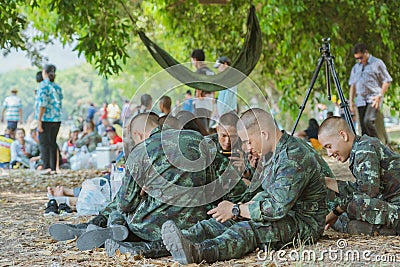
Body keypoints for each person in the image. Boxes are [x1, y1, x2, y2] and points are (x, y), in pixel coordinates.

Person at [49, 112, 247, 257]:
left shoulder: (139, 153)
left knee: (120, 208)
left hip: (146, 227)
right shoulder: (201, 141)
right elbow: (232, 187)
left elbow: (125, 204)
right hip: (193, 223)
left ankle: (104, 225)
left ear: (138, 135)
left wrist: (144, 193)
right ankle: (111, 230)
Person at [160, 108, 333, 264]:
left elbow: (276, 208)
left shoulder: (293, 157)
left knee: (246, 229)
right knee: (216, 223)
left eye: (249, 141)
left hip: (303, 222)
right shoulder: (271, 152)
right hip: (282, 212)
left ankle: (199, 252)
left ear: (264, 134)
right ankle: (160, 246)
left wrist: (236, 209)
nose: (248, 147)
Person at [318, 116, 400, 235]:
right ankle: (365, 227)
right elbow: (361, 189)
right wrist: (328, 182)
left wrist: (337, 211)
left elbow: (366, 196)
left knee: (355, 206)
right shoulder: (360, 148)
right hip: (392, 203)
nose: (329, 153)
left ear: (343, 135)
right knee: (346, 211)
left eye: (329, 147)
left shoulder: (364, 149)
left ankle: (383, 230)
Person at [349, 43, 392, 140]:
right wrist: (351, 101)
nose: (359, 60)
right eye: (357, 58)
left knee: (368, 121)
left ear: (366, 53)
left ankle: (378, 145)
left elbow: (387, 80)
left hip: (373, 98)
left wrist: (380, 96)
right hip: (360, 100)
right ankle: (368, 149)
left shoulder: (377, 63)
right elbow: (353, 85)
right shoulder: (356, 67)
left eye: (360, 57)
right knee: (363, 129)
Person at [35, 64, 63, 174]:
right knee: (52, 143)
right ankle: (53, 168)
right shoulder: (57, 87)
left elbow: (43, 104)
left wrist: (39, 120)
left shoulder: (42, 86)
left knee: (44, 143)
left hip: (46, 118)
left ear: (44, 73)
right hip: (56, 118)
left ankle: (45, 167)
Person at [191, 49, 215, 131]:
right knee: (206, 128)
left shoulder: (199, 72)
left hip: (200, 104)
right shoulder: (211, 72)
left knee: (201, 130)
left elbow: (199, 87)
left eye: (192, 60)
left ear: (195, 59)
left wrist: (198, 95)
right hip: (209, 104)